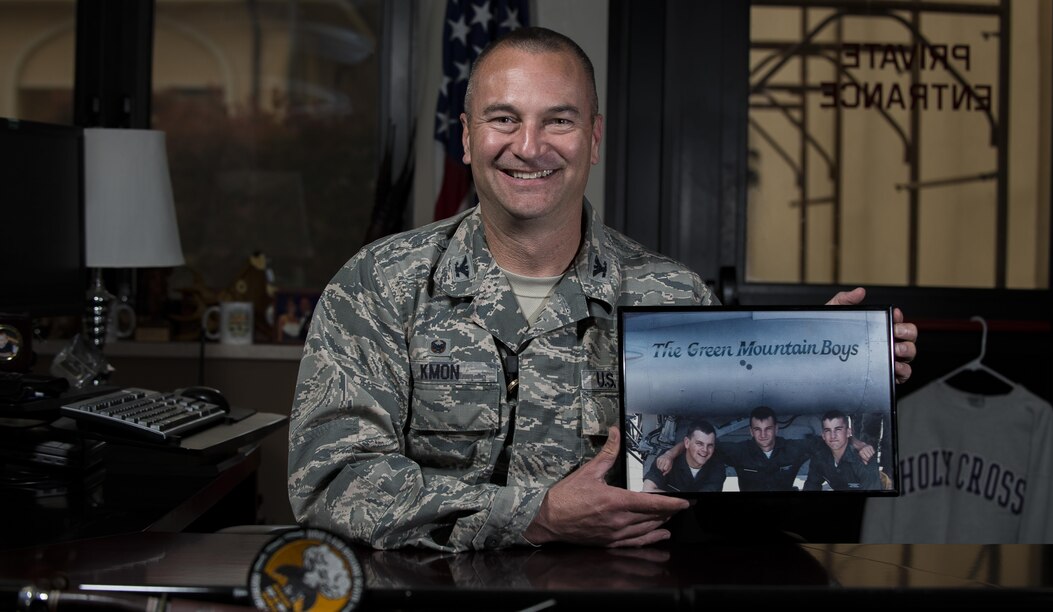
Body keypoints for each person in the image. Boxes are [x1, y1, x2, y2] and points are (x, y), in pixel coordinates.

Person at [287, 26, 917, 552]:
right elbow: (332, 483)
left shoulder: (671, 297)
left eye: (557, 120)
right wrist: (535, 514)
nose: (528, 147)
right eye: (503, 118)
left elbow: (734, 496)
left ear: (593, 137)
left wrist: (820, 365)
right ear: (466, 134)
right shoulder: (378, 285)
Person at [654, 406, 873, 491]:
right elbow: (697, 445)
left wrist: (859, 444)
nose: (763, 434)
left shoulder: (794, 449)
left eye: (768, 428)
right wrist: (669, 454)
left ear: (776, 429)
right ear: (750, 431)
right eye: (757, 429)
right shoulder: (738, 451)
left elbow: (832, 439)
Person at [802, 410, 881, 491]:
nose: (833, 436)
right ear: (823, 436)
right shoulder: (820, 456)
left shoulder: (864, 460)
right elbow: (812, 485)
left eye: (838, 429)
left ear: (848, 432)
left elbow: (874, 499)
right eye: (828, 430)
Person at [643, 420, 728, 493]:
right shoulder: (666, 459)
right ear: (687, 443)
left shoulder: (717, 466)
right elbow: (647, 490)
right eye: (699, 443)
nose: (705, 450)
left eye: (710, 445)